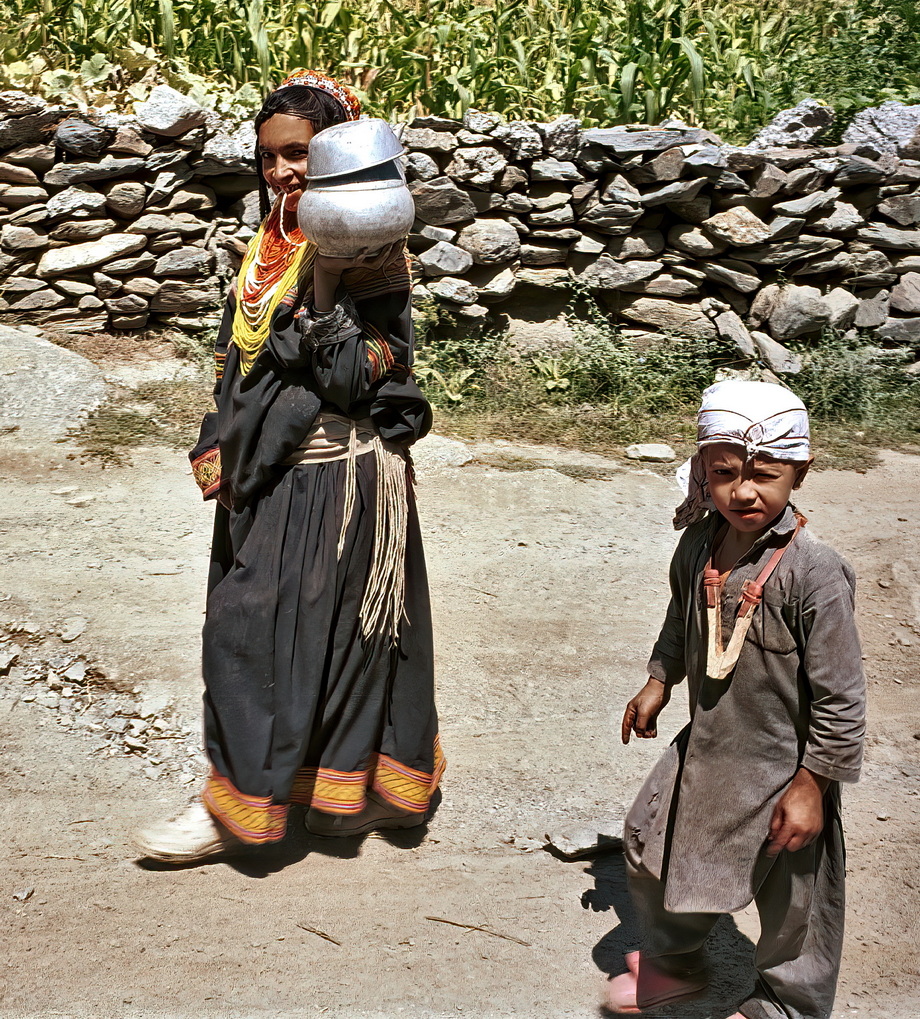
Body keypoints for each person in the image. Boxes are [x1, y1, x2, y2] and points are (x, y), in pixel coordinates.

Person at [135, 70, 444, 863]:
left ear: (339, 153)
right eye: (269, 158)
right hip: (272, 467)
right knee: (312, 632)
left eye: (299, 154)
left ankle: (241, 806)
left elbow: (355, 376)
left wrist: (333, 283)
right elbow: (242, 351)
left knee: (257, 629)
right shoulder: (275, 235)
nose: (281, 173)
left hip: (333, 476)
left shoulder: (367, 243)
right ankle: (327, 794)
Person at [606, 380, 865, 1019]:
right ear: (704, 470)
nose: (743, 492)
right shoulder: (699, 544)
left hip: (787, 763)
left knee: (793, 898)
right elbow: (679, 618)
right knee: (648, 845)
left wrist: (814, 782)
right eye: (723, 474)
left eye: (765, 477)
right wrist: (660, 680)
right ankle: (677, 964)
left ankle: (785, 1003)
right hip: (709, 745)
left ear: (798, 473)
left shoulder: (815, 574)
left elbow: (843, 697)